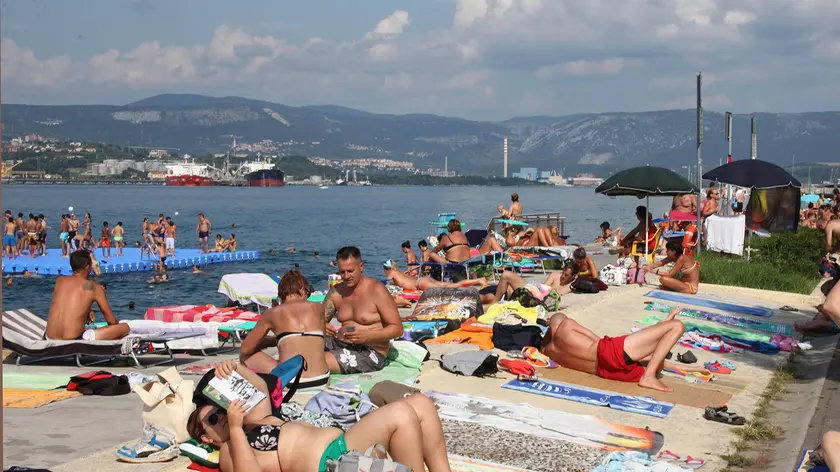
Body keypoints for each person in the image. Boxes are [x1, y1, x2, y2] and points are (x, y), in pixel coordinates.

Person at [186, 360, 452, 472]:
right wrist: (233, 428)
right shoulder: (230, 449)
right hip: (327, 464)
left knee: (420, 403)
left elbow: (260, 388)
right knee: (401, 413)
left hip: (344, 443)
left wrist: (237, 368)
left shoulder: (255, 420)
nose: (220, 416)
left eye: (220, 410)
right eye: (212, 420)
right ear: (205, 438)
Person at [541, 308, 688, 392]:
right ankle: (648, 376)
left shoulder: (550, 353)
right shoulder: (566, 325)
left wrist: (674, 365)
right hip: (606, 351)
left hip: (605, 372)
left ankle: (662, 330)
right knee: (677, 326)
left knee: (655, 363)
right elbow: (598, 341)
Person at [239, 271, 331, 389]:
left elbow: (245, 349)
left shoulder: (273, 313)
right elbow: (321, 341)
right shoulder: (318, 307)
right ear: (302, 289)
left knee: (245, 357)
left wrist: (273, 341)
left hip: (290, 382)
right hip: (321, 379)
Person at [323, 247, 404, 374]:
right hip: (340, 343)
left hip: (370, 351)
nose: (346, 276)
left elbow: (398, 329)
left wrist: (367, 336)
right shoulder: (336, 292)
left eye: (350, 271)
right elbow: (319, 321)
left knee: (318, 361)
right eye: (342, 272)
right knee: (302, 350)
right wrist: (322, 326)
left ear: (361, 266)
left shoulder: (376, 290)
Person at [44, 250, 129, 341]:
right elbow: (112, 322)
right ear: (88, 267)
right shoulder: (94, 287)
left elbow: (73, 298)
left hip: (49, 338)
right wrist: (100, 294)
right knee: (124, 327)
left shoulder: (60, 281)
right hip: (74, 341)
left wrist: (89, 309)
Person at [491, 262, 577, 302]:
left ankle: (494, 302)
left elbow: (559, 294)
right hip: (535, 290)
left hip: (535, 297)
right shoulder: (555, 275)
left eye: (566, 275)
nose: (563, 276)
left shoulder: (571, 285)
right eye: (563, 273)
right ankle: (493, 301)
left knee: (506, 275)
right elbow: (544, 286)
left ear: (573, 276)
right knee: (504, 287)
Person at [383, 260, 487, 291]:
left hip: (421, 283)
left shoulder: (392, 273)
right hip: (424, 280)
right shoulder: (400, 272)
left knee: (447, 289)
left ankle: (478, 282)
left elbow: (384, 283)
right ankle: (479, 280)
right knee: (452, 285)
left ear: (387, 269)